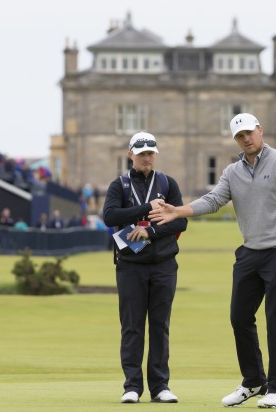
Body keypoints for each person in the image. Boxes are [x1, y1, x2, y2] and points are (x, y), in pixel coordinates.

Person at [149, 113, 276, 409]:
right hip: (250, 252)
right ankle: (253, 381)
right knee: (239, 317)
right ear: (235, 140)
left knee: (275, 320)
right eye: (240, 136)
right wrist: (178, 211)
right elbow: (213, 200)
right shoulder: (232, 172)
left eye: (250, 133)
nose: (246, 139)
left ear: (260, 131)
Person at [102, 131, 188, 404]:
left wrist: (150, 230)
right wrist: (145, 207)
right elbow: (110, 216)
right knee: (132, 326)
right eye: (141, 154)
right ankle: (132, 386)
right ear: (131, 155)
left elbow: (179, 221)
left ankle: (160, 386)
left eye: (150, 153)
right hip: (130, 266)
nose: (146, 158)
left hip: (163, 264)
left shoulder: (168, 183)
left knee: (160, 325)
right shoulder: (120, 185)